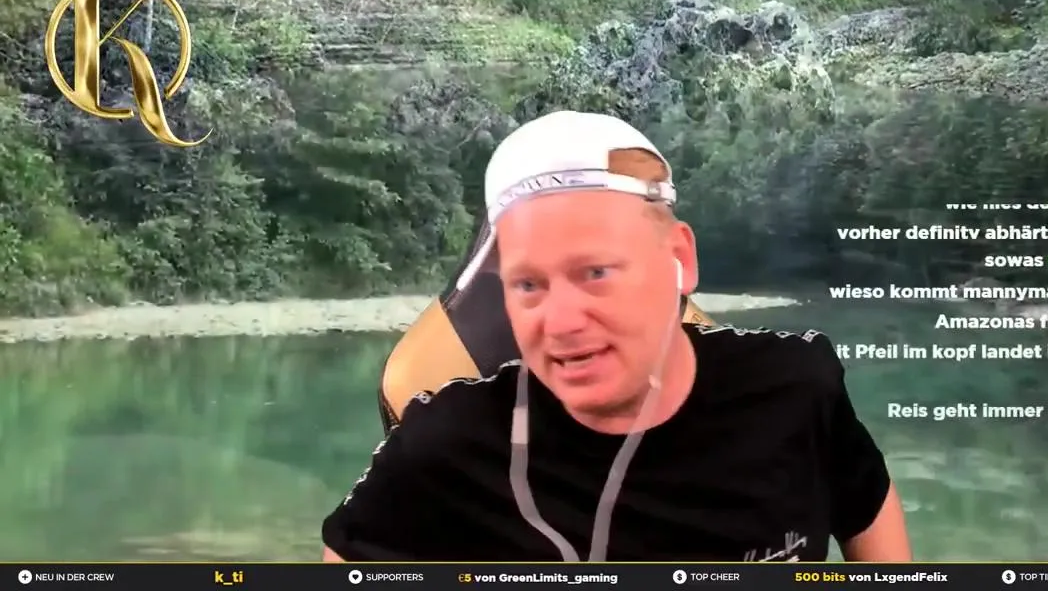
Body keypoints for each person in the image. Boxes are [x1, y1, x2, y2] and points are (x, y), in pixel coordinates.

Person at [321, 110, 910, 562]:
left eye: (595, 273)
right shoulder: (445, 444)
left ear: (679, 259)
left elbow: (869, 520)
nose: (561, 322)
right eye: (528, 285)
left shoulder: (795, 388)